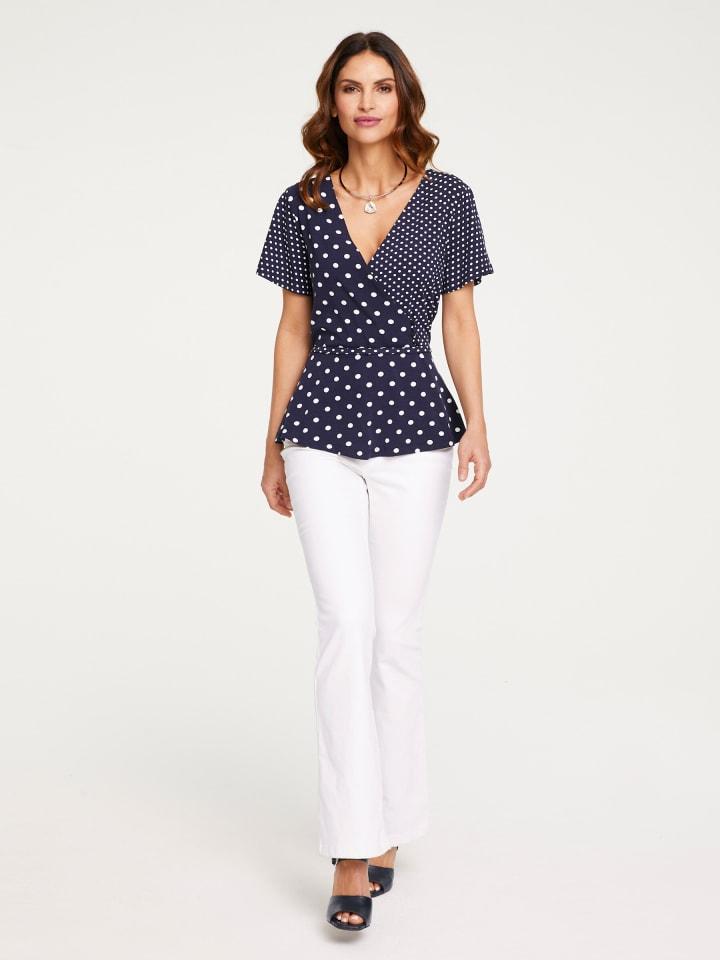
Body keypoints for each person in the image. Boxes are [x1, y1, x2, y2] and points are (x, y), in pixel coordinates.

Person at [256, 31, 494, 932]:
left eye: (381, 87)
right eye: (350, 87)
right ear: (332, 100)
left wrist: (478, 422)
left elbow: (460, 319)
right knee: (344, 628)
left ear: (404, 98)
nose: (366, 102)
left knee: (395, 635)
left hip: (416, 435)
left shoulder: (448, 199)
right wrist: (271, 444)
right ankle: (350, 849)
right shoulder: (301, 202)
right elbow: (293, 328)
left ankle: (394, 819)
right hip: (319, 432)